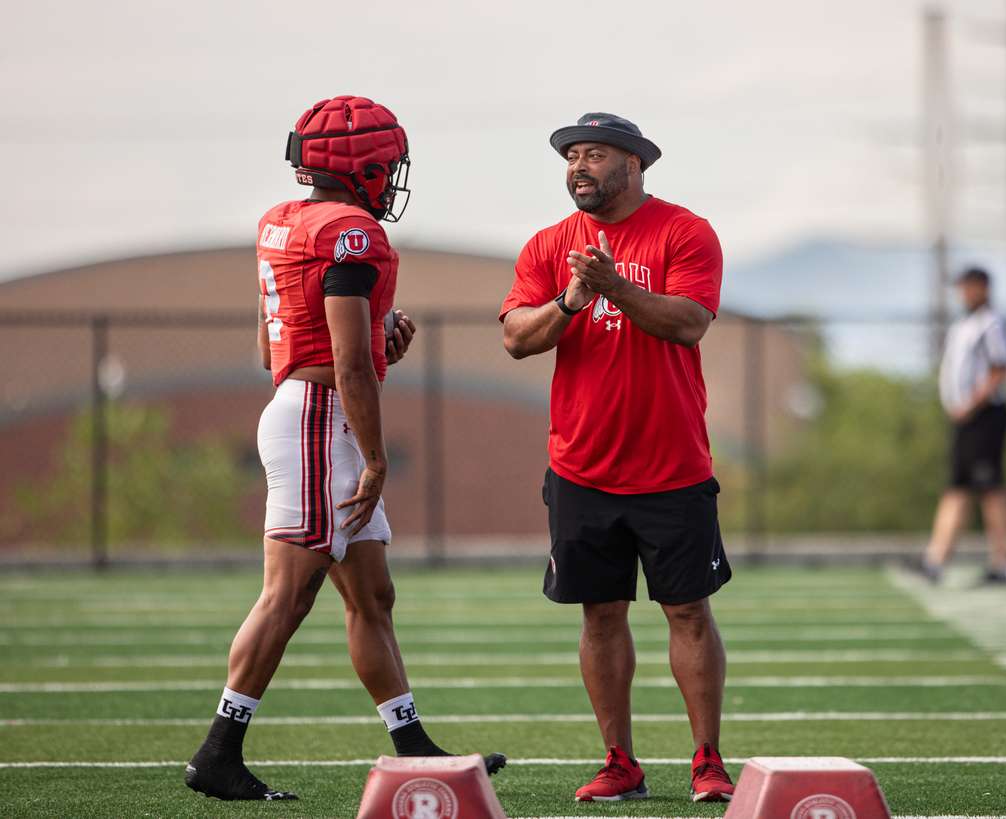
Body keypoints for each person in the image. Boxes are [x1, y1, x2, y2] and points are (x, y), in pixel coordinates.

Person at [184, 95, 504, 802]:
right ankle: (218, 750)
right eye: (386, 167)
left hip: (308, 409)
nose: (391, 180)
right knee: (288, 595)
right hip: (320, 421)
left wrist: (368, 337)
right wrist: (378, 453)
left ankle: (413, 743)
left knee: (371, 593)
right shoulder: (351, 231)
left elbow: (274, 343)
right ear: (361, 166)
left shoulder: (283, 221)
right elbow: (349, 365)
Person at [500, 112, 736, 804]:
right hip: (581, 468)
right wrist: (572, 299)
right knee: (599, 613)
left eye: (594, 154)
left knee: (688, 611)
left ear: (634, 164)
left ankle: (707, 759)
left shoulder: (683, 232)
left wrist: (617, 287)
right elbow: (516, 336)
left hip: (672, 467)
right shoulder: (550, 246)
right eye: (572, 155)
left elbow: (689, 321)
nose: (578, 166)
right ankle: (619, 761)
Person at [922, 266, 1006, 585]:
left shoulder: (991, 323)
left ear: (983, 288)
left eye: (968, 287)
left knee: (990, 489)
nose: (963, 294)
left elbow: (999, 370)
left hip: (985, 417)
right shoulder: (963, 326)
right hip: (965, 420)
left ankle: (1000, 564)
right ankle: (935, 560)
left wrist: (971, 404)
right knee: (957, 488)